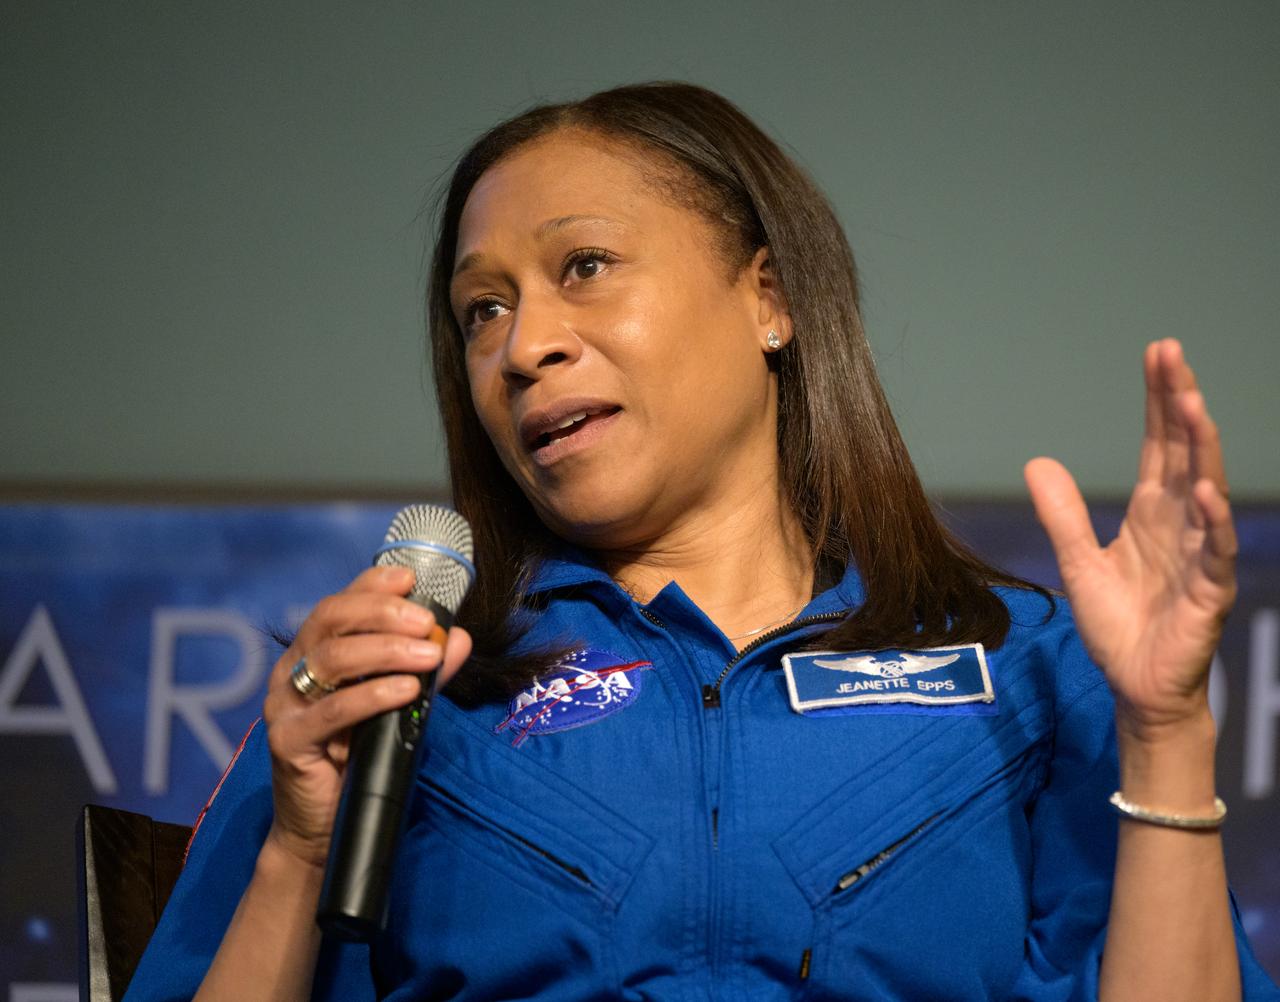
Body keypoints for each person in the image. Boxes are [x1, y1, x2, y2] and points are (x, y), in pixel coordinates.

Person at [125, 82, 1278, 1001]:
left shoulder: (1016, 664)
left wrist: (1167, 730)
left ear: (767, 298)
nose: (524, 346)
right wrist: (292, 845)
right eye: (482, 309)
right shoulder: (398, 691)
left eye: (583, 268)